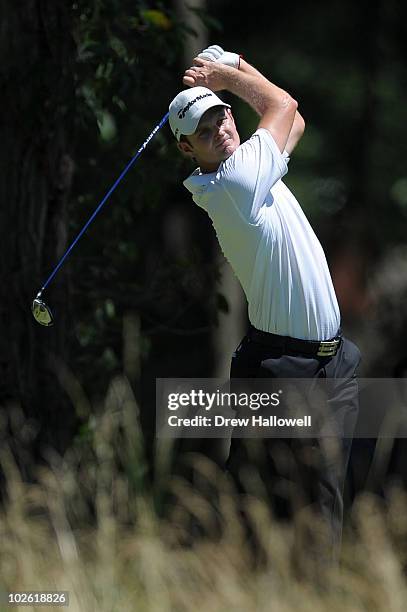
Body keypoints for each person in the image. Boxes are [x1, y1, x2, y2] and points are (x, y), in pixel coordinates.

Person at [168, 45, 361, 565]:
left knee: (318, 496)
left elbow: (290, 120)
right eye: (205, 131)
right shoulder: (234, 183)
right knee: (273, 500)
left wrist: (234, 69)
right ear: (188, 149)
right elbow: (284, 106)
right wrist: (229, 76)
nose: (221, 129)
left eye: (222, 115)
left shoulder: (253, 167)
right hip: (285, 366)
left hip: (330, 361)